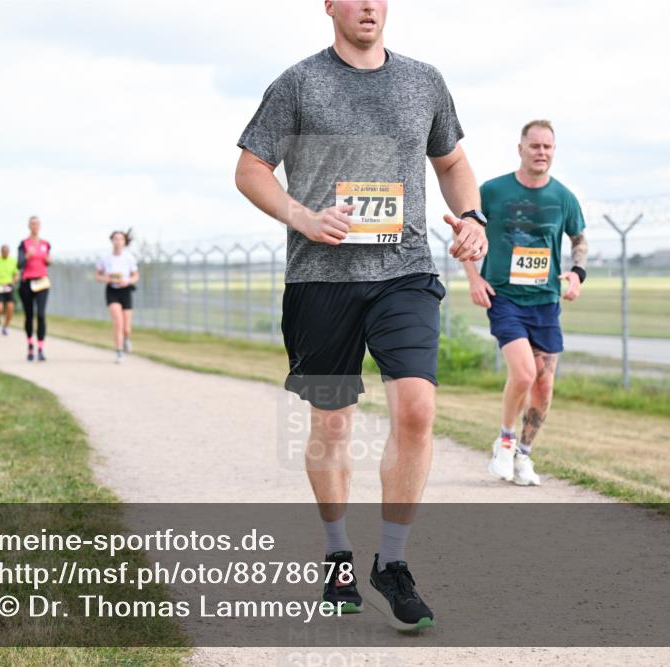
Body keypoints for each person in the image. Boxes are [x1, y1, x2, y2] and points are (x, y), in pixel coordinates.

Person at [234, 0, 487, 632]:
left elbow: (452, 162)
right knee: (333, 427)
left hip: (404, 271)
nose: (369, 4)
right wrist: (301, 216)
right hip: (320, 282)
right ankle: (339, 555)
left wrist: (473, 217)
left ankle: (393, 565)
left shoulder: (423, 80)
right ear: (329, 6)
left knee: (417, 408)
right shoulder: (297, 83)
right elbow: (250, 168)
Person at [466, 120, 588, 487]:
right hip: (505, 297)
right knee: (523, 373)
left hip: (545, 301)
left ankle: (524, 455)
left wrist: (577, 273)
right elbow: (465, 230)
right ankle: (504, 440)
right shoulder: (493, 191)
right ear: (520, 149)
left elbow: (579, 238)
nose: (541, 153)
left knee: (545, 386)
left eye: (548, 147)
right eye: (534, 146)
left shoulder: (563, 197)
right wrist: (474, 277)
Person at [95, 229, 139, 364]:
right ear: (112, 241)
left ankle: (126, 339)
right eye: (115, 239)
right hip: (112, 291)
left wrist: (128, 281)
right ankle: (119, 352)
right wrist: (106, 278)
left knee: (126, 327)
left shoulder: (129, 258)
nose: (118, 241)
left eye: (121, 239)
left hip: (125, 291)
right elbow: (98, 275)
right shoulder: (105, 258)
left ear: (125, 242)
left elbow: (136, 276)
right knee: (118, 323)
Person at [18, 215, 51, 362]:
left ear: (40, 226)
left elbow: (48, 261)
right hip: (27, 282)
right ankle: (30, 345)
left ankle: (41, 347)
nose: (35, 226)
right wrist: (27, 256)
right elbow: (19, 264)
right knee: (29, 315)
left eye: (37, 223)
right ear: (29, 226)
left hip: (42, 282)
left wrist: (48, 260)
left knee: (41, 315)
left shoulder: (45, 244)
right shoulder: (24, 244)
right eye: (32, 223)